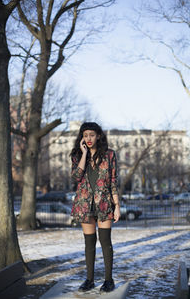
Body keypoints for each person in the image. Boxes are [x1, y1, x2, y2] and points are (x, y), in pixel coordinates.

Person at [70, 122, 120, 293]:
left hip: (104, 203)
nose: (88, 138)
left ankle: (108, 280)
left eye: (91, 134)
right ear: (82, 138)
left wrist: (117, 206)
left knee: (105, 241)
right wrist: (84, 154)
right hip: (84, 204)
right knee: (89, 243)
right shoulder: (77, 154)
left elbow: (113, 181)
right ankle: (89, 280)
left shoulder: (110, 154)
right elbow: (77, 176)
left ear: (98, 135)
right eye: (85, 135)